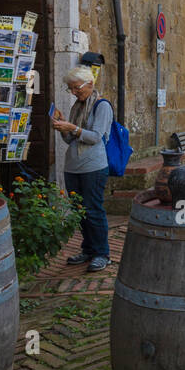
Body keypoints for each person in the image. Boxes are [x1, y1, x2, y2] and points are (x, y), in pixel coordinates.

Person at [52, 66, 113, 272]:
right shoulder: (77, 107)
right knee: (80, 211)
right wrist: (62, 127)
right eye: (71, 89)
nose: (74, 92)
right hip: (73, 166)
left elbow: (95, 137)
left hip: (93, 166)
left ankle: (102, 253)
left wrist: (73, 128)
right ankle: (88, 249)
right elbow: (71, 139)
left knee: (93, 210)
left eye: (77, 88)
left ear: (90, 84)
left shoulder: (101, 106)